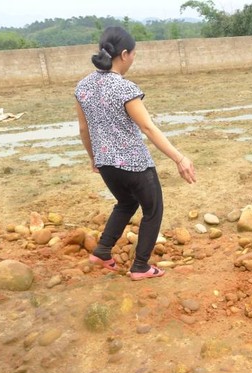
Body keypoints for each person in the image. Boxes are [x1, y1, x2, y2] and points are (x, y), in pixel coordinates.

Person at [75, 26, 196, 281]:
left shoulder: (83, 86)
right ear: (125, 54)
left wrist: (93, 158)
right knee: (153, 210)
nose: (133, 59)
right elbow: (148, 127)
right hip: (135, 165)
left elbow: (84, 129)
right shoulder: (124, 88)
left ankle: (102, 250)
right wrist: (180, 158)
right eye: (134, 54)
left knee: (126, 203)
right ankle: (140, 266)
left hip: (106, 164)